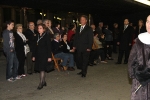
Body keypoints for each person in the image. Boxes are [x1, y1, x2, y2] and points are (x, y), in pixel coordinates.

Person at [128, 15, 150, 100]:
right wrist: (139, 73)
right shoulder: (140, 40)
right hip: (140, 83)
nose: (149, 24)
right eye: (147, 21)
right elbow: (131, 60)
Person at [32, 24, 52, 90]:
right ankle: (43, 81)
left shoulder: (46, 36)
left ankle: (41, 83)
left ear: (44, 29)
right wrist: (33, 55)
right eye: (38, 28)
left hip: (44, 55)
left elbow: (49, 47)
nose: (39, 29)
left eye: (40, 28)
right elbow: (34, 47)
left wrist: (49, 56)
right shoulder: (37, 36)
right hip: (38, 55)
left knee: (42, 69)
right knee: (40, 68)